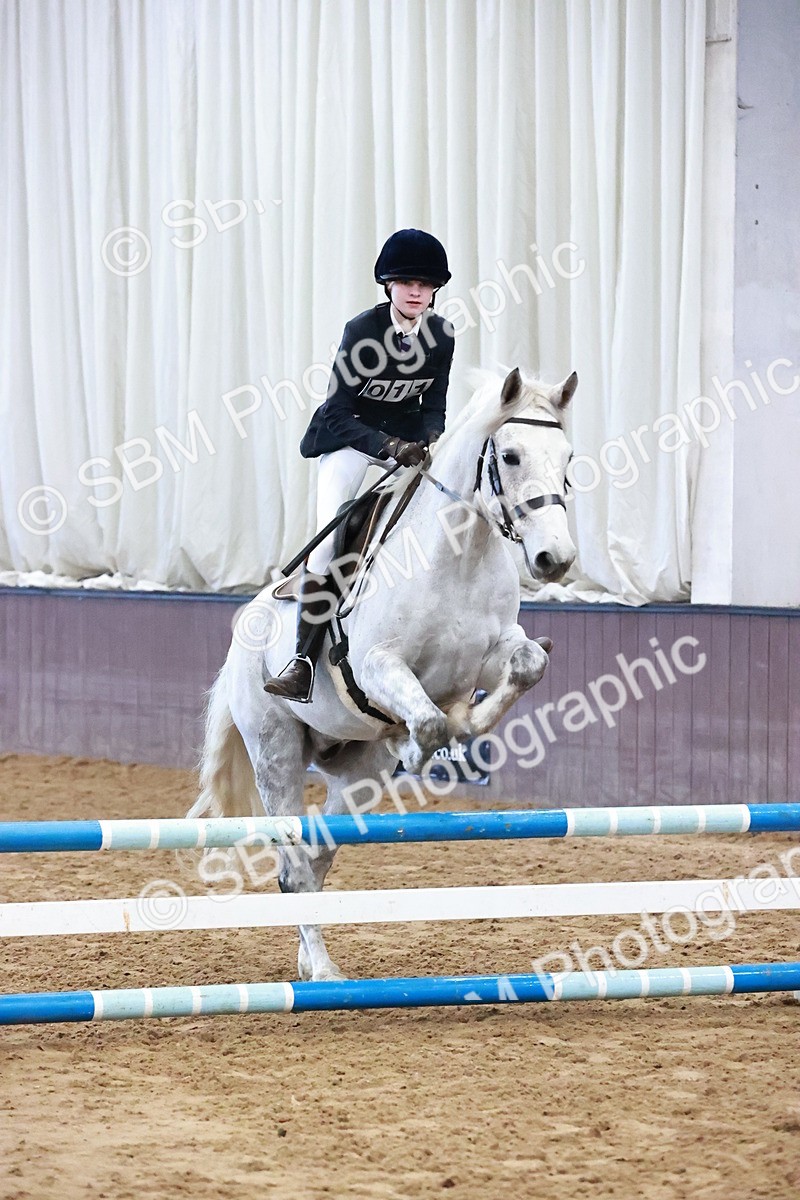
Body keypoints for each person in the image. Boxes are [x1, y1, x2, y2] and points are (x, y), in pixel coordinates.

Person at [264, 228, 455, 702]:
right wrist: (388, 444)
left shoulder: (441, 334)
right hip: (351, 440)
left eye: (425, 285)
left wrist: (429, 436)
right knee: (329, 546)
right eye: (407, 282)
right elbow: (336, 411)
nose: (416, 292)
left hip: (406, 446)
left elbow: (435, 405)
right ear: (388, 285)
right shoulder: (362, 331)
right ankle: (302, 661)